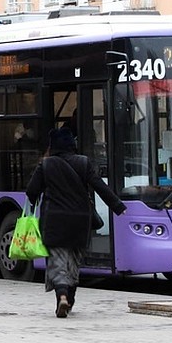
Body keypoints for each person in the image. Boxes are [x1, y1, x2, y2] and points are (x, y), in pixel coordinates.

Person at [25, 127, 126, 319]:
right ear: (72, 145)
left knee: (57, 261)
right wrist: (118, 206)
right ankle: (69, 301)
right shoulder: (83, 163)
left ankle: (62, 296)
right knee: (73, 262)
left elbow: (31, 191)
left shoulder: (46, 165)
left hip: (55, 221)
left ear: (53, 145)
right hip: (80, 221)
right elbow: (100, 186)